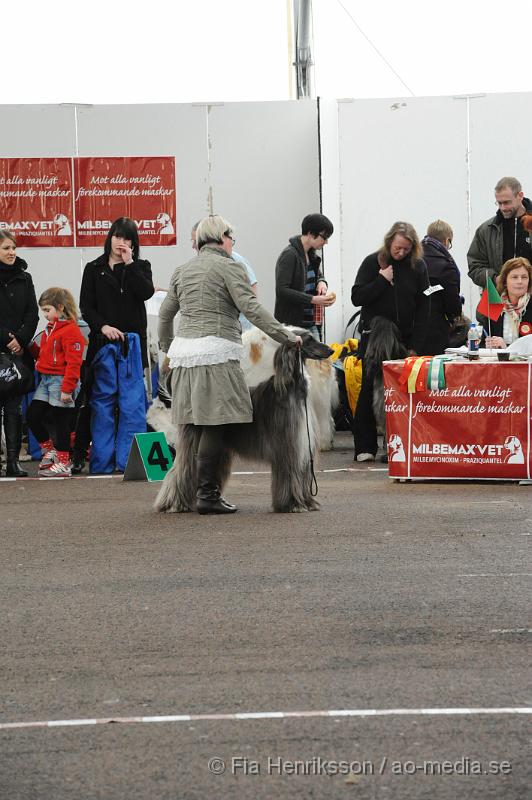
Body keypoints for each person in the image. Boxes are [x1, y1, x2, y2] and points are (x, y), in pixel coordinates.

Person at [158, 214, 301, 514]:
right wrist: (285, 335)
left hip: (185, 358)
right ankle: (208, 495)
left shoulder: (182, 270)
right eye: (231, 238)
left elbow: (165, 315)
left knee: (192, 427)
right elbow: (251, 308)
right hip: (217, 356)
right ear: (222, 237)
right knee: (215, 423)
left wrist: (168, 351)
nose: (232, 243)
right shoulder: (230, 267)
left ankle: (181, 495)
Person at [79, 217, 155, 473]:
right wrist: (103, 327)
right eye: (117, 236)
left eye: (127, 239)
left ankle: (129, 463)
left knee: (132, 404)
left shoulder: (141, 266)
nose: (120, 243)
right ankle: (101, 462)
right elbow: (86, 307)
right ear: (109, 237)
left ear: (133, 244)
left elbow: (146, 293)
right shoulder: (93, 268)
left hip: (132, 346)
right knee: (102, 404)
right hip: (102, 345)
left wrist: (130, 264)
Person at [351, 221, 430, 462]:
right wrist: (382, 280)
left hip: (403, 340)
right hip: (373, 338)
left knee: (399, 393)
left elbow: (424, 306)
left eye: (406, 249)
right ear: (389, 242)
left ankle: (395, 445)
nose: (401, 253)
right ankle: (365, 446)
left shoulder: (418, 267)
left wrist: (416, 344)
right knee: (367, 390)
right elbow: (357, 297)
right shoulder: (371, 262)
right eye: (398, 248)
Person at [26, 288, 85, 478]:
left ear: (60, 308)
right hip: (46, 380)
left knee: (62, 423)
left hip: (62, 381)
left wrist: (67, 389)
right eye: (43, 311)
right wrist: (30, 346)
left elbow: (75, 363)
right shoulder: (49, 329)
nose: (45, 315)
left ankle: (64, 462)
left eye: (47, 310)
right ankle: (50, 451)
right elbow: (43, 356)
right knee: (33, 415)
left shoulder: (71, 331)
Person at [0, 230, 38, 477]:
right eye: (6, 248)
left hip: (18, 355)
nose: (12, 252)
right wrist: (6, 338)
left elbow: (32, 314)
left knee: (14, 408)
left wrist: (21, 340)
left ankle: (12, 461)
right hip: (2, 346)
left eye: (13, 247)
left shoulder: (25, 278)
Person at [274, 213, 336, 338]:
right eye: (324, 237)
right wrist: (313, 299)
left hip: (310, 322)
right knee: (311, 356)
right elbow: (282, 290)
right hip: (293, 326)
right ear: (310, 233)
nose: (326, 242)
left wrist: (322, 282)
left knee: (319, 356)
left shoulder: (311, 254)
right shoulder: (289, 255)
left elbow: (318, 275)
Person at [191, 220, 257, 331]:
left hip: (239, 327)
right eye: (192, 241)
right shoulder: (200, 263)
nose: (193, 246)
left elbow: (252, 291)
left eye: (195, 241)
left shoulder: (235, 261)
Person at [468, 177, 532, 288]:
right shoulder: (486, 230)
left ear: (520, 196)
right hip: (500, 300)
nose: (503, 208)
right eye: (499, 203)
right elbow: (475, 266)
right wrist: (496, 280)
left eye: (507, 202)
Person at [420, 220, 462, 355]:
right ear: (447, 240)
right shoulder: (445, 266)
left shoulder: (412, 258)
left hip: (410, 329)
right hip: (434, 330)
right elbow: (453, 306)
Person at [477, 257, 532, 348]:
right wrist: (488, 345)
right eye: (514, 277)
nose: (520, 281)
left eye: (524, 277)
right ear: (505, 281)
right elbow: (482, 343)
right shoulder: (494, 305)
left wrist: (506, 347)